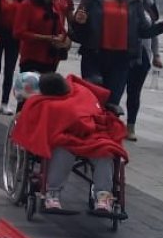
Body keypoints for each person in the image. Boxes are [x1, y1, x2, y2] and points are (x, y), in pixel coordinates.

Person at [10, 72, 127, 215]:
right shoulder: (46, 103)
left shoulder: (79, 92)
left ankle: (103, 197)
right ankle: (52, 193)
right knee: (63, 149)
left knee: (105, 152)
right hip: (71, 137)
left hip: (92, 133)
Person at [71, 0, 163, 110]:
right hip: (93, 57)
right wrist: (79, 22)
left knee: (112, 104)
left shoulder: (134, 1)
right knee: (93, 100)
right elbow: (77, 34)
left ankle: (109, 128)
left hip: (120, 60)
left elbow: (144, 31)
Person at [123, 0, 163, 140]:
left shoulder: (147, 12)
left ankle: (131, 126)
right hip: (122, 54)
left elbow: (152, 34)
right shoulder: (120, 6)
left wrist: (156, 54)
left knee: (134, 93)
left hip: (143, 55)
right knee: (117, 89)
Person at [13, 0, 70, 74]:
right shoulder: (27, 5)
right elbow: (18, 32)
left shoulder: (55, 4)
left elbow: (61, 27)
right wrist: (45, 38)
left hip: (51, 57)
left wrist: (64, 39)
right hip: (32, 57)